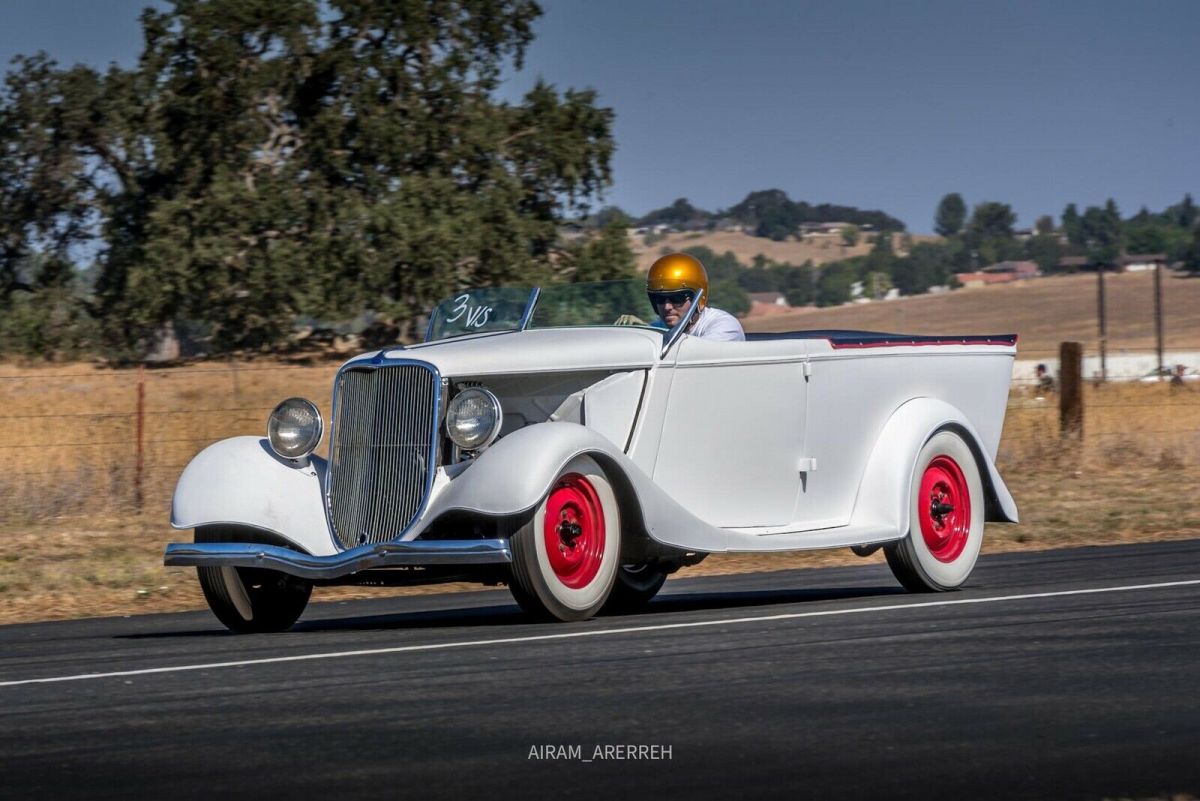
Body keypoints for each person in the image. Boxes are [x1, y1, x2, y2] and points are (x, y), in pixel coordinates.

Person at [646, 252, 745, 341]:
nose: (667, 307)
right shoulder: (656, 328)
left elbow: (700, 356)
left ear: (697, 299)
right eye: (660, 298)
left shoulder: (725, 326)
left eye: (677, 298)